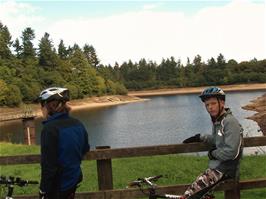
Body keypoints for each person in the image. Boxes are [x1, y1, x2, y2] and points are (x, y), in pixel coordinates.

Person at [182, 87, 243, 199]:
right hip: (217, 169)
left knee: (188, 196)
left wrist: (213, 154)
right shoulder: (218, 121)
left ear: (222, 103)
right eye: (207, 105)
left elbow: (231, 152)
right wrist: (200, 137)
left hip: (224, 170)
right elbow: (217, 140)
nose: (210, 107)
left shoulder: (229, 122)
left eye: (213, 103)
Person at [37, 87, 90, 199]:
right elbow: (85, 149)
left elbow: (48, 165)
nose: (41, 109)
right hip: (74, 179)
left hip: (58, 186)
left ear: (51, 106)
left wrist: (43, 189)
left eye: (42, 105)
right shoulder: (78, 123)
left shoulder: (49, 129)